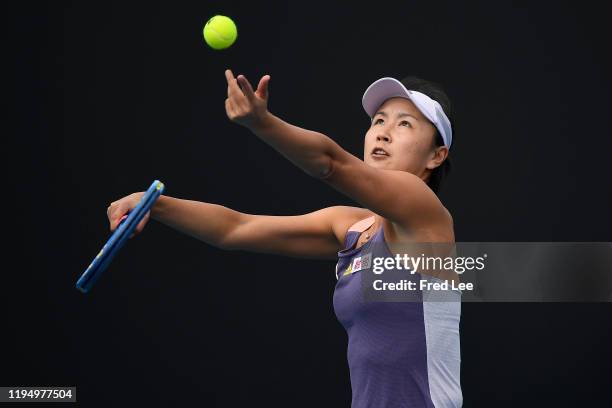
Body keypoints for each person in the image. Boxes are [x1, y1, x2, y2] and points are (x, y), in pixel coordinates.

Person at [107, 69, 462, 407]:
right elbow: (234, 229)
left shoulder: (425, 215)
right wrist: (152, 203)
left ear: (436, 155)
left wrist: (263, 123)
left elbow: (331, 163)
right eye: (378, 121)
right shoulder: (352, 227)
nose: (383, 133)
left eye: (404, 124)